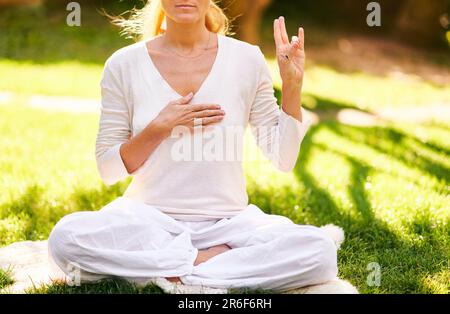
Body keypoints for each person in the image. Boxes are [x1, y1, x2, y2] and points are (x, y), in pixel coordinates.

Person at [48, 0, 339, 292]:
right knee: (65, 239)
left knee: (320, 252)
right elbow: (108, 170)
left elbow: (283, 158)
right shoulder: (124, 64)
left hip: (229, 224)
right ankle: (212, 264)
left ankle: (173, 269)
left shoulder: (247, 60)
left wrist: (291, 86)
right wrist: (160, 127)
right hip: (147, 220)